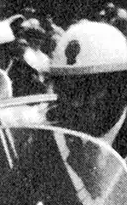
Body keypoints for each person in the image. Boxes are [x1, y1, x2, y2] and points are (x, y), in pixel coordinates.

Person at [48, 20, 127, 157]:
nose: (75, 103)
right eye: (66, 91)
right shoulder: (50, 135)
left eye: (88, 89)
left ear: (122, 88)